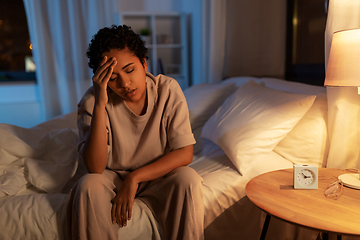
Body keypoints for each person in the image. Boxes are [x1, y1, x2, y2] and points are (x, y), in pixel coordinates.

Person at [66, 25, 204, 240]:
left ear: (144, 63)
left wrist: (135, 178)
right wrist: (101, 104)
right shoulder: (93, 101)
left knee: (188, 178)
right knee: (87, 185)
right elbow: (95, 167)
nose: (125, 83)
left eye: (130, 70)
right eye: (112, 78)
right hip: (112, 179)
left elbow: (185, 153)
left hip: (158, 176)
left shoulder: (167, 90)